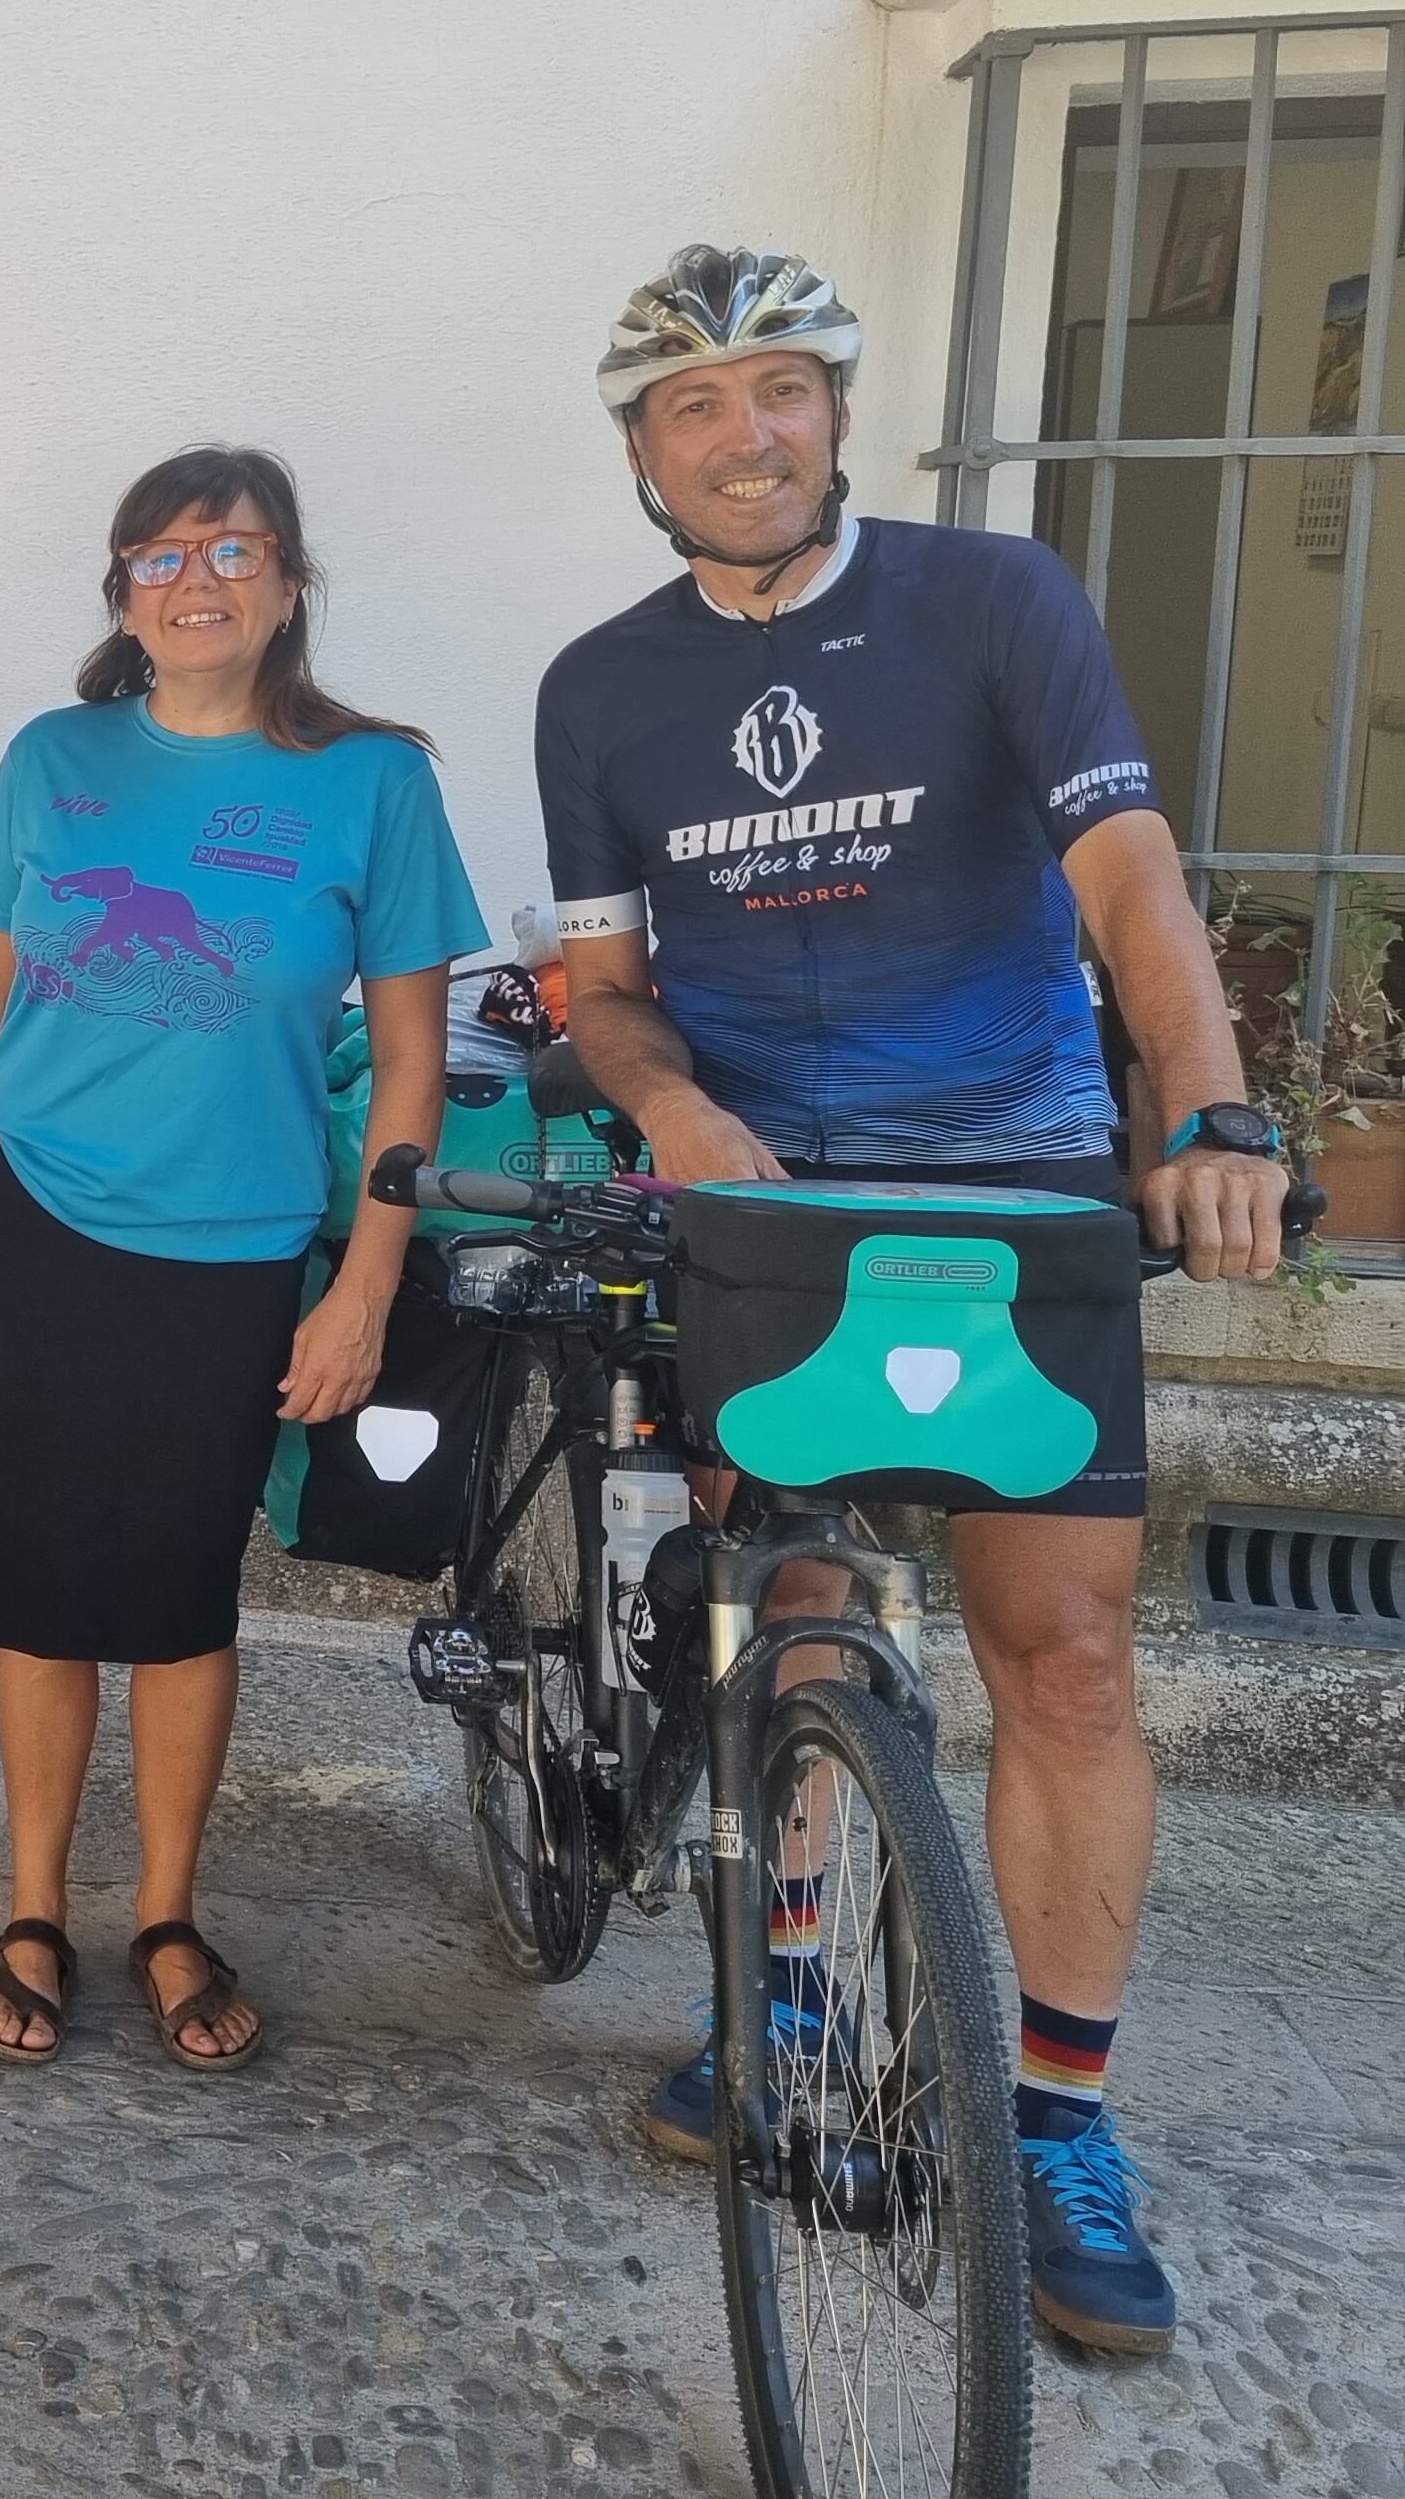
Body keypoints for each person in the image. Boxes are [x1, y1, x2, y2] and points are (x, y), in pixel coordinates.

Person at [540, 244, 1290, 2357]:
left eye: (781, 389)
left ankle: (1055, 2117)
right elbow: (600, 995)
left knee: (1059, 1654)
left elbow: (1125, 872)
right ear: (641, 456)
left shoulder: (995, 603)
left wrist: (1210, 1112)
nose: (746, 434)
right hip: (767, 1206)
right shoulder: (599, 687)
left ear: (839, 413)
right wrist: (669, 1104)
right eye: (696, 407)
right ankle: (789, 1996)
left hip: (1012, 1167)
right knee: (792, 1618)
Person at [0, 448, 480, 2074]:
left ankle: (164, 1910)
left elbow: (413, 1066)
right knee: (34, 1577)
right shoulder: (53, 757)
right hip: (36, 1211)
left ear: (290, 585)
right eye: (159, 556)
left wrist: (366, 1281)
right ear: (123, 596)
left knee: (178, 1594)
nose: (197, 578)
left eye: (233, 549)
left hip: (233, 1246)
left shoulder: (374, 784)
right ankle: (33, 1906)